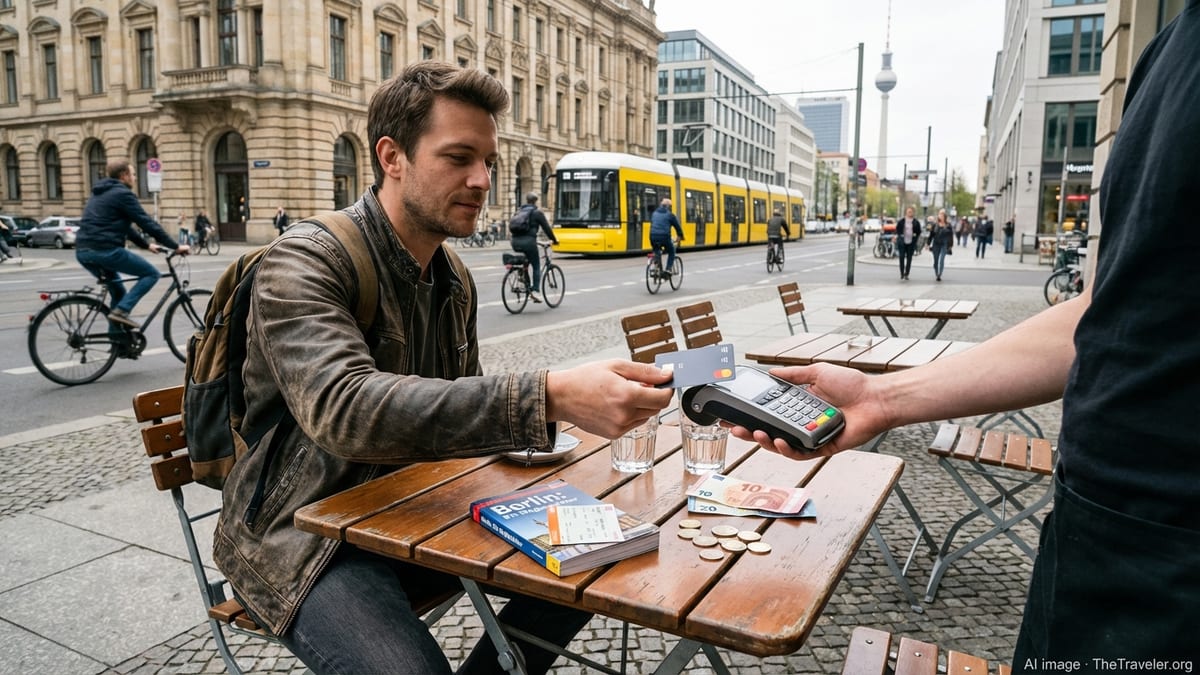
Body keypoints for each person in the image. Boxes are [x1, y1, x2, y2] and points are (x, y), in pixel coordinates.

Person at [732, 8, 1200, 667]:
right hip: (1088, 531)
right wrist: (881, 397)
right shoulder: (1166, 51)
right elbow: (1105, 313)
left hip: (1175, 556)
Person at [212, 62, 675, 675]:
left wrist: (543, 453)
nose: (482, 179)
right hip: (303, 537)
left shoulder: (452, 276)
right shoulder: (305, 260)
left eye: (487, 160)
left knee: (601, 551)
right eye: (459, 157)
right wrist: (549, 396)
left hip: (417, 505)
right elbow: (344, 409)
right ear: (392, 157)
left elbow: (457, 407)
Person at [75, 160, 190, 327]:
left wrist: (146, 245)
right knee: (151, 274)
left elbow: (125, 228)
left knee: (119, 291)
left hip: (83, 251)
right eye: (133, 174)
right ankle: (122, 310)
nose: (135, 178)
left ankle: (118, 342)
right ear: (124, 176)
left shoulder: (101, 193)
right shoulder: (123, 194)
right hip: (105, 250)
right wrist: (176, 246)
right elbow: (146, 223)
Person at [508, 192, 558, 303]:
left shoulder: (519, 211)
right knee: (536, 265)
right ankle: (535, 291)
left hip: (515, 242)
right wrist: (554, 240)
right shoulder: (537, 213)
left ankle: (523, 277)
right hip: (529, 243)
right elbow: (547, 228)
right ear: (536, 201)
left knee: (526, 261)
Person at [649, 197, 684, 274]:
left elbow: (652, 226)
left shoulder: (654, 213)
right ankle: (668, 269)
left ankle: (655, 266)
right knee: (671, 250)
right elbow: (677, 227)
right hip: (664, 236)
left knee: (656, 250)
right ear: (668, 207)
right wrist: (680, 236)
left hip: (653, 236)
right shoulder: (670, 215)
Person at [926, 208, 954, 281]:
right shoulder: (934, 225)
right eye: (939, 215)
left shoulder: (948, 225)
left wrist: (950, 245)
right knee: (936, 260)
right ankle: (936, 270)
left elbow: (951, 236)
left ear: (945, 217)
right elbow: (931, 235)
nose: (940, 217)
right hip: (936, 244)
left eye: (942, 215)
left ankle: (939, 274)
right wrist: (928, 244)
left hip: (944, 244)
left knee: (941, 259)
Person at [895, 206, 921, 280]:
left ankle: (907, 273)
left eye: (911, 211)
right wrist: (899, 236)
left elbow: (919, 231)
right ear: (906, 212)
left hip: (911, 242)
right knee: (901, 257)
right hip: (902, 242)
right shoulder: (901, 221)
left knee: (909, 258)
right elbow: (897, 230)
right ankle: (902, 273)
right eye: (909, 211)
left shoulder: (916, 222)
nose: (910, 213)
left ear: (913, 212)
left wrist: (915, 238)